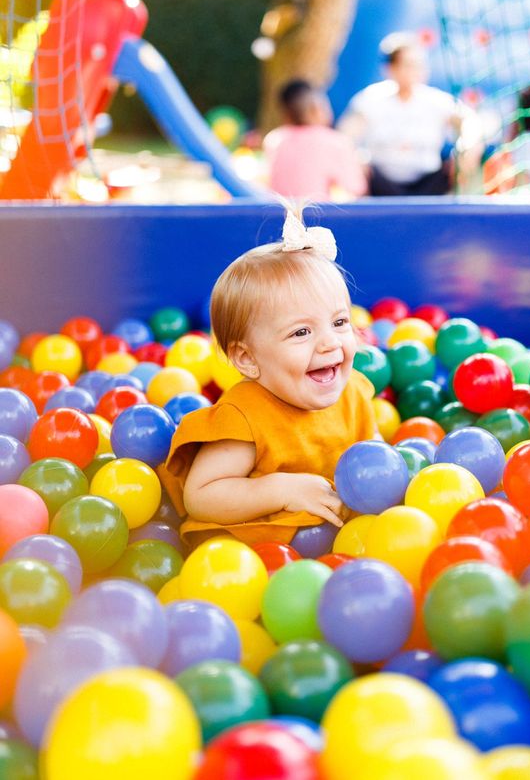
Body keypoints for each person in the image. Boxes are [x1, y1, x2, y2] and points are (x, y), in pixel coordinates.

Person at [159, 206, 376, 548]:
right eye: (301, 332)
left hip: (346, 544)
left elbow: (374, 451)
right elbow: (201, 496)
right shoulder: (245, 418)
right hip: (260, 552)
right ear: (247, 359)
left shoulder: (354, 393)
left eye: (339, 322)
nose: (329, 343)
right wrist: (281, 490)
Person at [338, 32, 482, 196]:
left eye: (419, 65)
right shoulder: (370, 100)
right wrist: (355, 159)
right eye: (408, 65)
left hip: (429, 184)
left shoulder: (436, 100)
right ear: (390, 68)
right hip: (382, 185)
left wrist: (468, 145)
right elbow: (344, 136)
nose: (416, 71)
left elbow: (469, 121)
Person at [263, 80, 367, 201]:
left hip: (281, 214)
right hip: (318, 215)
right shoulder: (334, 141)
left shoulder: (274, 140)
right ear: (315, 110)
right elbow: (356, 187)